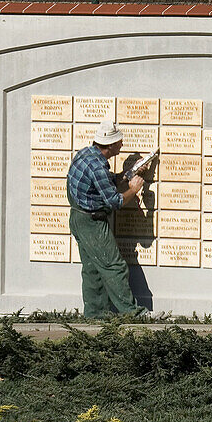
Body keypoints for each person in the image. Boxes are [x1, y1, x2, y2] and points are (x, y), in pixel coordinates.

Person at [66, 120, 147, 318]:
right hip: (91, 223)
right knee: (114, 266)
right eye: (119, 141)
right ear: (110, 145)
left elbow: (106, 182)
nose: (121, 144)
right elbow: (114, 201)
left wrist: (129, 174)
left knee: (93, 268)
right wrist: (134, 189)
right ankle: (132, 313)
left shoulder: (86, 154)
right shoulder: (98, 167)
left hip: (78, 217)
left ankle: (95, 315)